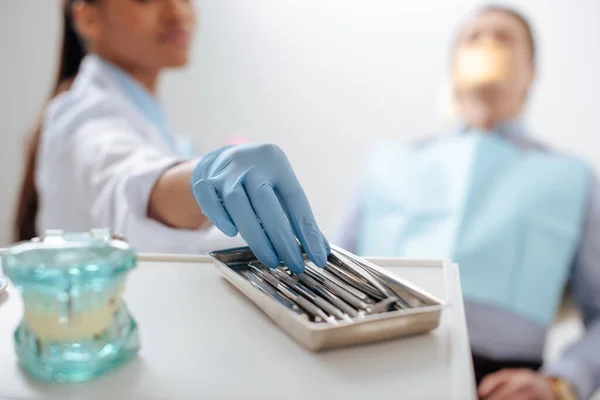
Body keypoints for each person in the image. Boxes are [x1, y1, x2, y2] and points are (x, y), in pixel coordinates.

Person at [336, 5, 599, 400]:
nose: (489, 43)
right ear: (453, 66)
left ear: (532, 71)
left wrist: (561, 382)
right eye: (475, 37)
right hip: (373, 374)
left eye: (505, 37)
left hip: (500, 385)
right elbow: (331, 278)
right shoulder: (389, 162)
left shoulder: (572, 179)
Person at [13, 0, 329, 274]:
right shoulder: (84, 115)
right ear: (89, 19)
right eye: (147, 0)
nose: (178, 13)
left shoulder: (140, 113)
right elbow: (124, 179)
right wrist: (207, 174)